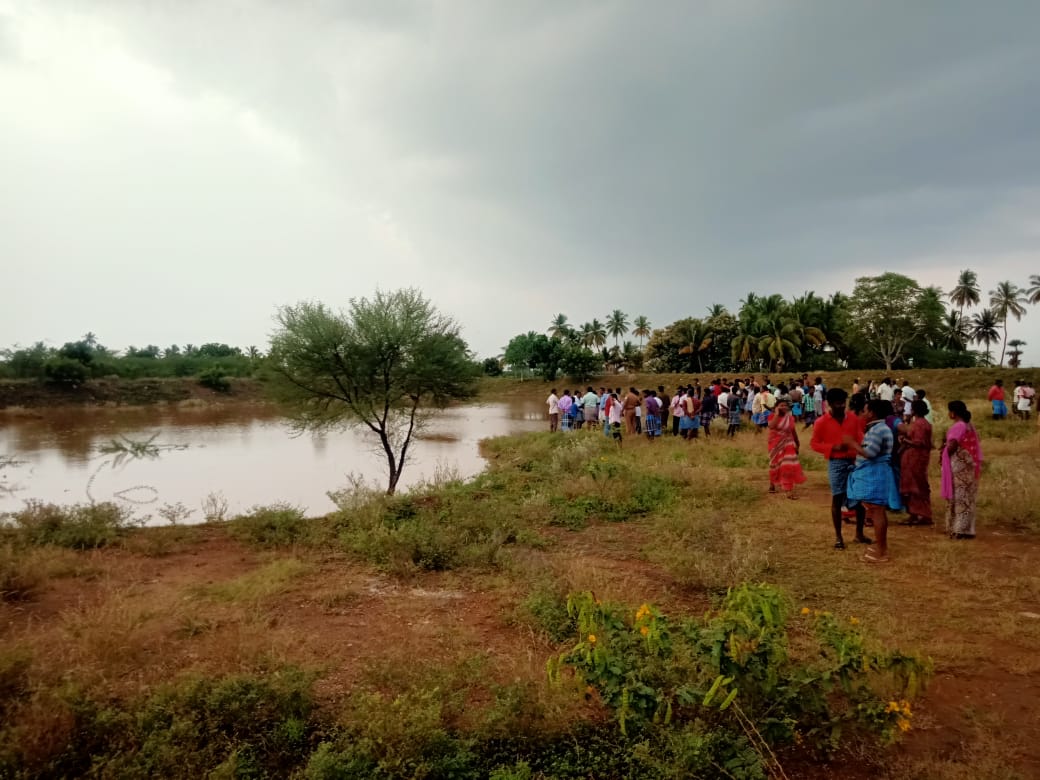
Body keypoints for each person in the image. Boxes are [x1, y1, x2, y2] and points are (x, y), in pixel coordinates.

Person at [810, 388, 870, 549]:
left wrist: (863, 447)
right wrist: (834, 447)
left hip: (854, 461)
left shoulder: (852, 418)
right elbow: (814, 444)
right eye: (838, 403)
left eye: (843, 403)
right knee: (837, 498)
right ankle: (839, 537)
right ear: (829, 404)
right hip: (836, 463)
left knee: (859, 499)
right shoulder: (821, 422)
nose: (842, 406)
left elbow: (859, 436)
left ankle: (859, 534)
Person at [845, 399, 903, 564]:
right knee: (875, 509)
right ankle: (880, 545)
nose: (863, 414)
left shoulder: (878, 429)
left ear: (872, 412)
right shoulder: (880, 428)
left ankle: (881, 550)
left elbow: (870, 453)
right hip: (875, 472)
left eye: (865, 410)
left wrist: (852, 444)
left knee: (877, 511)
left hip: (875, 473)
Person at [941, 400, 983, 539]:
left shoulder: (958, 426)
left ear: (953, 413)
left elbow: (952, 444)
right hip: (969, 465)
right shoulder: (969, 425)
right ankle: (967, 529)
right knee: (967, 498)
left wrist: (944, 453)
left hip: (959, 466)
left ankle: (959, 530)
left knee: (959, 497)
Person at [899, 399, 934, 526]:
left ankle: (919, 514)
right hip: (918, 457)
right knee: (918, 484)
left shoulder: (919, 424)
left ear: (914, 410)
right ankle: (917, 513)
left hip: (915, 457)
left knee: (915, 486)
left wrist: (905, 440)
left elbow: (918, 442)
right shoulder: (925, 423)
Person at [767, 400, 805, 498]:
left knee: (787, 465)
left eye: (785, 405)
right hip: (775, 444)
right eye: (781, 405)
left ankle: (788, 490)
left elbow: (793, 430)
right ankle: (772, 483)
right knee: (775, 464)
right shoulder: (772, 416)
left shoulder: (790, 418)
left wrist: (797, 443)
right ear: (776, 407)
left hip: (788, 443)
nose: (783, 407)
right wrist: (776, 413)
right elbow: (771, 426)